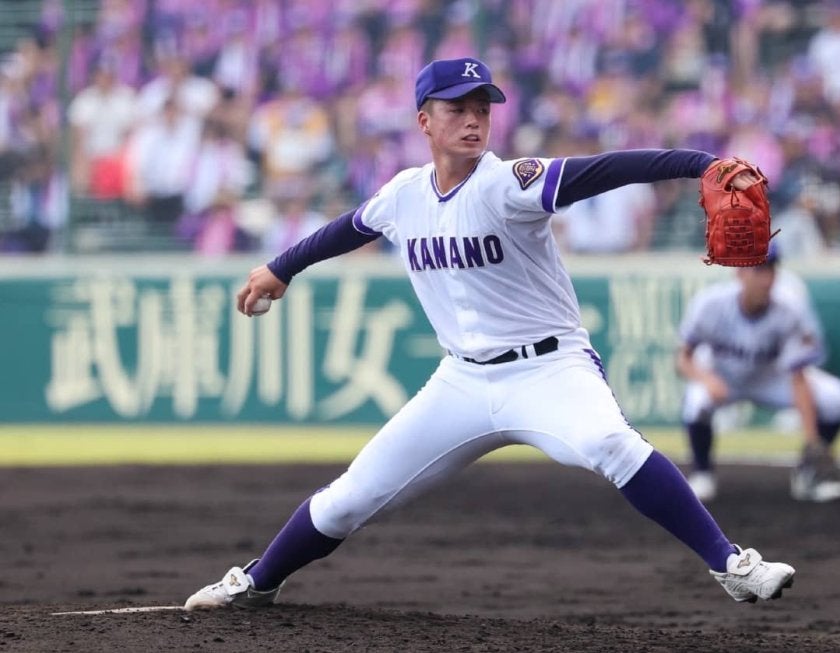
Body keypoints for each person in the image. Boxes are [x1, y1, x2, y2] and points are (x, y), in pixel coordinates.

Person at [184, 57, 795, 610]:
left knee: (612, 443)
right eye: (458, 109)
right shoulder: (404, 194)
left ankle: (732, 564)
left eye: (483, 109)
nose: (474, 121)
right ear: (425, 120)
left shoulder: (509, 181)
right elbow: (349, 228)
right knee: (348, 499)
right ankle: (258, 583)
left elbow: (605, 170)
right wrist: (280, 268)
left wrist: (702, 166)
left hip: (551, 370)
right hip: (461, 381)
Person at [676, 244, 840, 503]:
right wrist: (706, 379)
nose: (766, 278)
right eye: (758, 270)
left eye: (771, 270)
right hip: (722, 375)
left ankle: (808, 474)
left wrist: (813, 440)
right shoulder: (711, 304)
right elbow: (682, 357)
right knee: (696, 400)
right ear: (740, 273)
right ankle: (703, 474)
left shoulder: (790, 308)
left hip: (771, 377)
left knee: (837, 398)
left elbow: (798, 375)